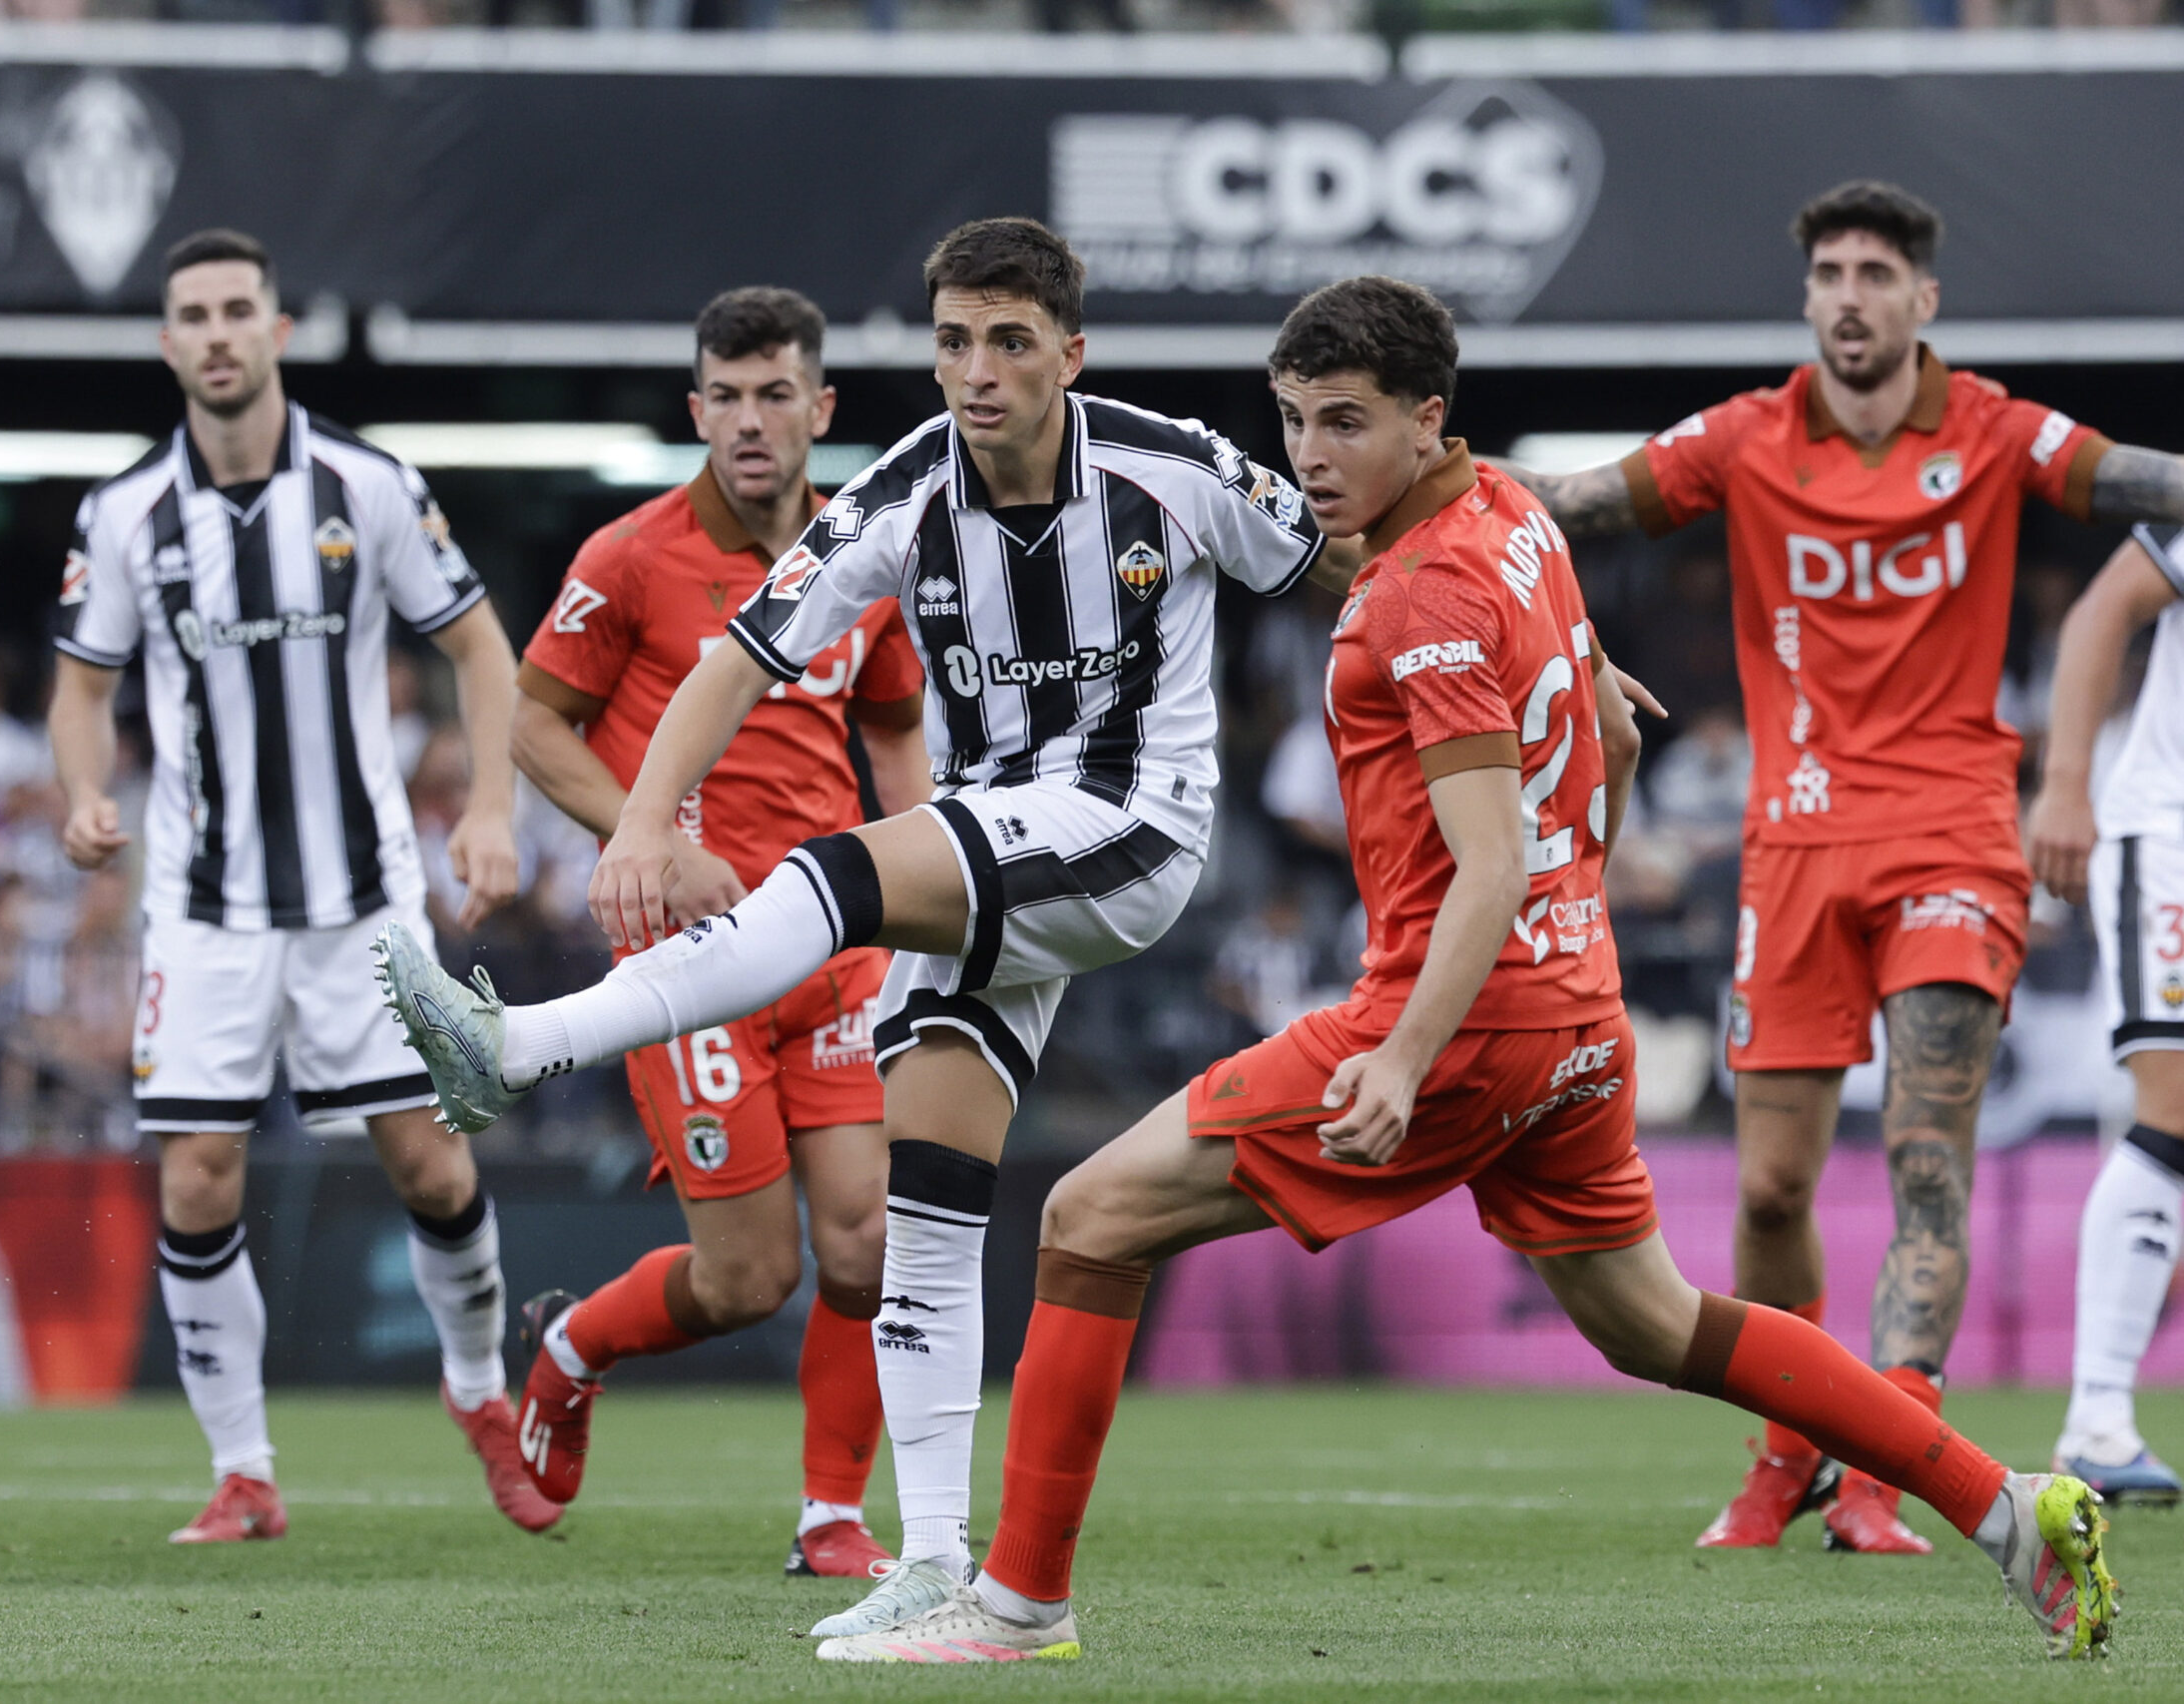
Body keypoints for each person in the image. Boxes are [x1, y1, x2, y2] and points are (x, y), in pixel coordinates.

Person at [810, 276, 2117, 1666]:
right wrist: (1570, 906)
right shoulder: (1510, 514)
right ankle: (2005, 1506)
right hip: (1571, 1009)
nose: (1311, 456)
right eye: (1294, 420)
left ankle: (1017, 1605)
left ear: (1427, 420)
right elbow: (1614, 739)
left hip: (1464, 1016)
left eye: (1346, 423)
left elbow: (1488, 864)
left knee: (1087, 1217)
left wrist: (1402, 1051)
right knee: (1655, 1322)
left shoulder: (1416, 595)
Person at [376, 217, 1329, 1631]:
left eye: (1010, 341)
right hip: (1001, 852)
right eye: (954, 340)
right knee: (920, 1223)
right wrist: (641, 826)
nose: (978, 369)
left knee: (831, 879)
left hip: (1136, 827)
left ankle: (517, 1045)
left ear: (1070, 354)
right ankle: (943, 1572)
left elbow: (1347, 550)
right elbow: (737, 658)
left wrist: (1538, 640)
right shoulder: (899, 492)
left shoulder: (1172, 467)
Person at [1507, 180, 2184, 1552]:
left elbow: (2142, 481)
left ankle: (1885, 1475)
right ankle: (1789, 1454)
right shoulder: (1745, 437)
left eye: (1877, 273)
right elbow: (1573, 502)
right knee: (1770, 1187)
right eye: (1830, 274)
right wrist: (1429, 482)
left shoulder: (1994, 428)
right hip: (1795, 844)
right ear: (1808, 297)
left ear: (1923, 298)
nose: (1850, 296)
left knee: (1927, 1159)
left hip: (1953, 837)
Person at [46, 228, 554, 1544]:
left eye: (239, 311)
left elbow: (481, 647)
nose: (218, 334)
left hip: (361, 902)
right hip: (204, 908)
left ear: (275, 331)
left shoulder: (365, 485)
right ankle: (245, 1471)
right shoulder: (124, 513)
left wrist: (489, 808)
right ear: (169, 343)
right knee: (198, 1178)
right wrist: (84, 790)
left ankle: (479, 1389)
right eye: (195, 314)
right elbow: (81, 687)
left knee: (430, 1166)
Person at [493, 286, 929, 1572]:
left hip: (838, 946)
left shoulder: (865, 555)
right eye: (726, 397)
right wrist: (645, 838)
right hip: (691, 967)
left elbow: (896, 730)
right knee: (748, 1279)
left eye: (774, 394)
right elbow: (532, 725)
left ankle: (831, 1516)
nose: (750, 421)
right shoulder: (631, 556)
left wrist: (929, 884)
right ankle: (572, 1348)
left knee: (867, 1242)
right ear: (695, 410)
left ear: (819, 408)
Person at [2026, 526, 2184, 1506]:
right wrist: (2064, 783)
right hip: (2169, 833)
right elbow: (2103, 607)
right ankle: (2095, 1420)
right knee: (2172, 1110)